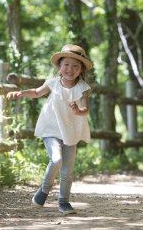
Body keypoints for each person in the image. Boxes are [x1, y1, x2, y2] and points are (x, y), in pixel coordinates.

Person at [7, 44, 92, 215]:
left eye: (76, 66)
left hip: (71, 132)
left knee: (67, 171)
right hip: (51, 129)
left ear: (81, 69)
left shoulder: (83, 88)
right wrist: (21, 93)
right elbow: (37, 92)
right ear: (59, 66)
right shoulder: (53, 83)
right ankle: (44, 190)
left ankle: (64, 202)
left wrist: (77, 110)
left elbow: (85, 109)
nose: (70, 69)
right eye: (66, 64)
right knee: (56, 159)